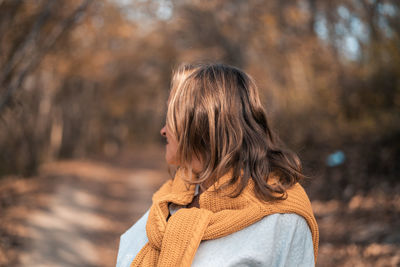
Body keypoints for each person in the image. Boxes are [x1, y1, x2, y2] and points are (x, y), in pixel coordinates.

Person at [116, 63, 319, 267]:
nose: (163, 130)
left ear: (201, 122)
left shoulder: (283, 217)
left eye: (171, 117)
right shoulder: (169, 199)